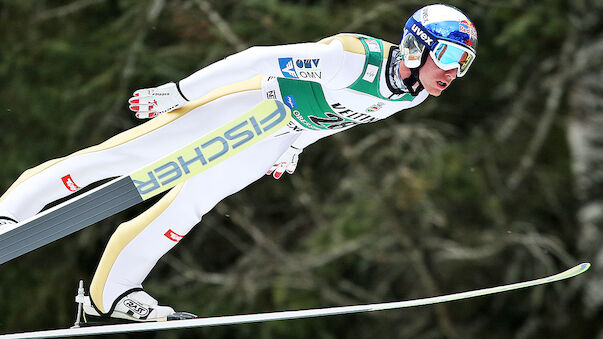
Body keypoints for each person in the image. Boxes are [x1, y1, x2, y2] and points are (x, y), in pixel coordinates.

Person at [0, 4, 477, 322]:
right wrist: (180, 92)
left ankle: (113, 296)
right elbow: (256, 61)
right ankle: (13, 213)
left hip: (272, 139)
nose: (455, 71)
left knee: (191, 206)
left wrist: (294, 148)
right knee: (125, 158)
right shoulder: (351, 61)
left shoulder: (412, 96)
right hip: (249, 106)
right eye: (451, 56)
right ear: (417, 46)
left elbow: (337, 117)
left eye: (465, 62)